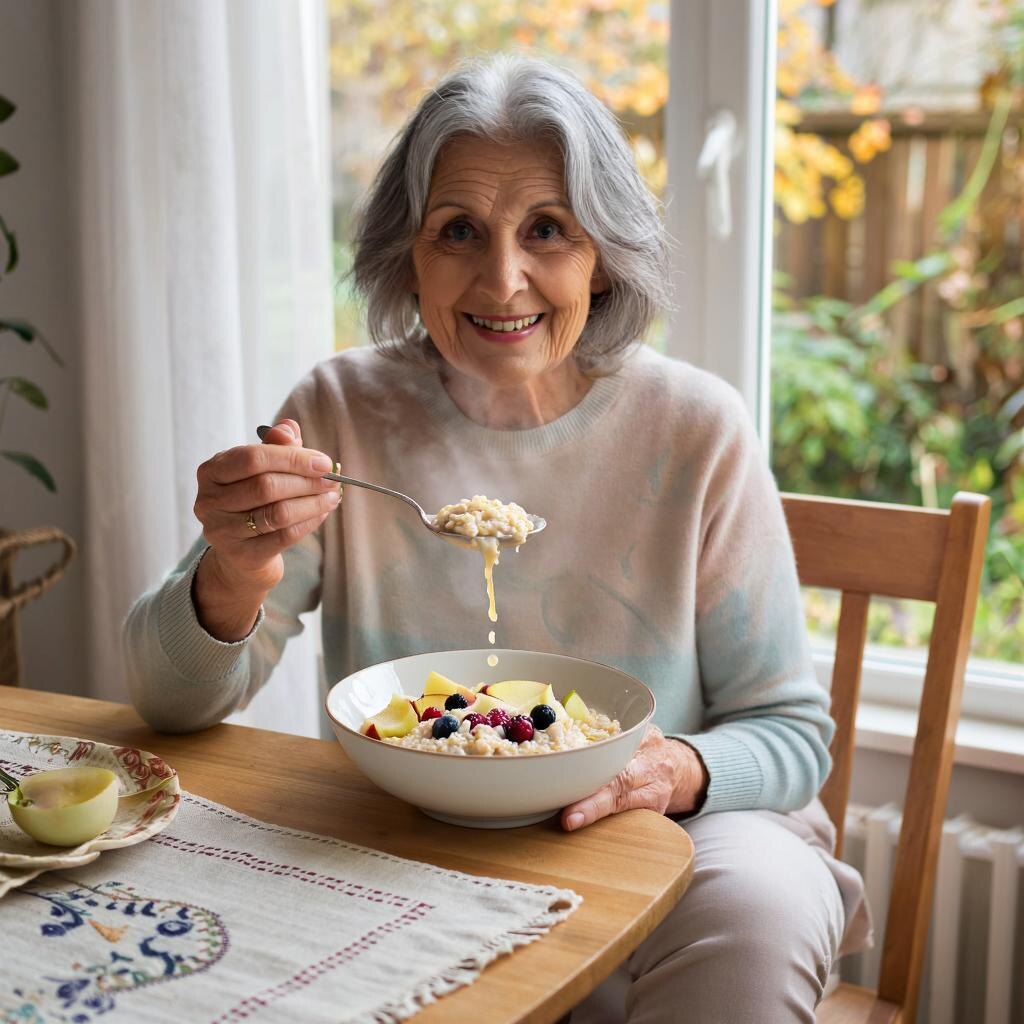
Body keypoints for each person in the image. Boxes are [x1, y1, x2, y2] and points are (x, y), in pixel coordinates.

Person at [124, 54, 870, 1023]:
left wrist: (670, 769)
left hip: (669, 837)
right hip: (410, 839)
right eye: (459, 232)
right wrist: (234, 569)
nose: (503, 277)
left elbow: (790, 733)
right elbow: (165, 704)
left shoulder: (695, 426)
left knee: (762, 900)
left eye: (546, 230)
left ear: (603, 251)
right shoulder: (339, 413)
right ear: (409, 253)